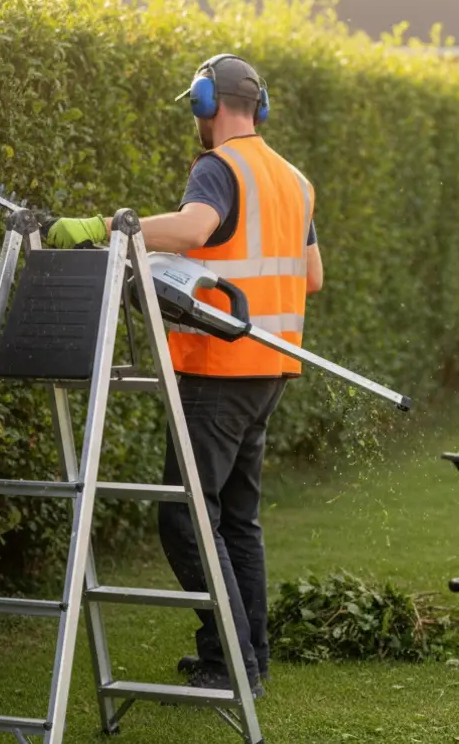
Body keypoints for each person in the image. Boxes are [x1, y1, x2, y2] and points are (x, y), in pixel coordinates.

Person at [43, 53, 323, 699]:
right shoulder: (293, 178)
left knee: (187, 520)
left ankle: (233, 664)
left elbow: (196, 229)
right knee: (236, 521)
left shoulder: (218, 166)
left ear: (205, 101)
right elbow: (311, 277)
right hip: (270, 367)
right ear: (260, 105)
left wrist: (107, 227)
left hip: (219, 369)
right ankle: (245, 659)